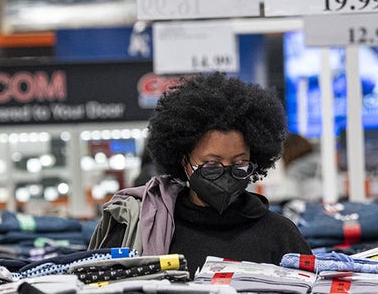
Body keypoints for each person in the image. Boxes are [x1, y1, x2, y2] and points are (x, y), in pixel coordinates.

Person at [89, 72, 311, 275]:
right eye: (212, 164)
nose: (226, 174)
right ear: (184, 160)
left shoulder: (280, 235)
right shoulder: (147, 227)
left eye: (240, 163)